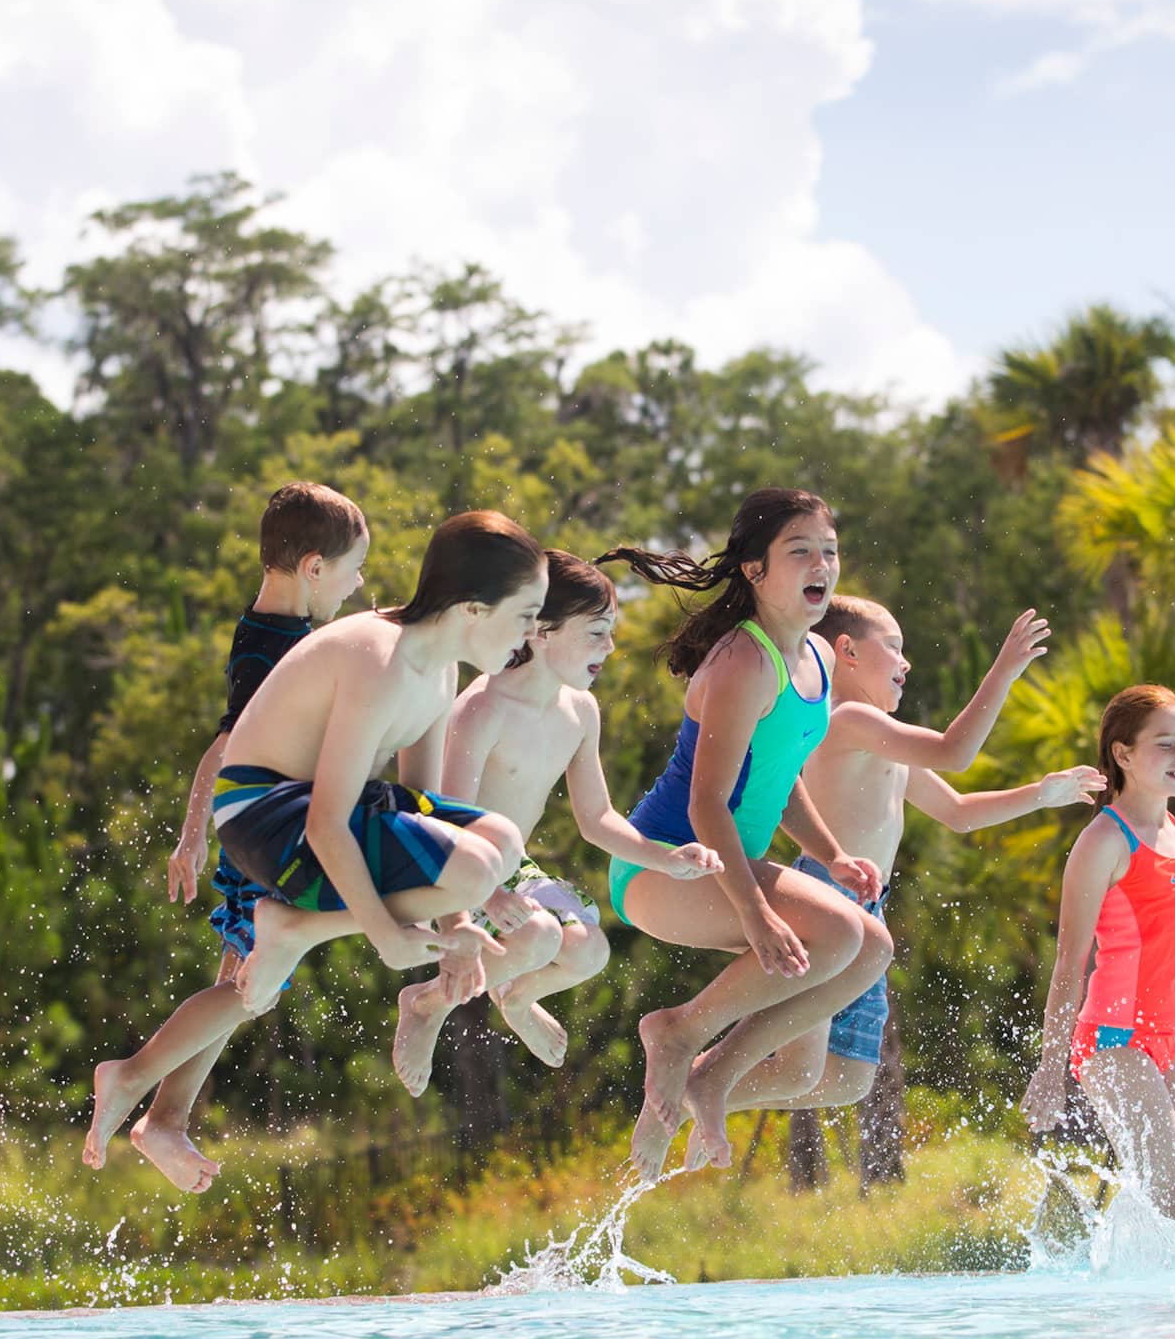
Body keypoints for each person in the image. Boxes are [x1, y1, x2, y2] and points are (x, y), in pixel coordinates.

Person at [82, 510, 547, 1177]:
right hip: (266, 817)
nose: (531, 636)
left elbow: (425, 815)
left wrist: (458, 927)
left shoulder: (438, 671)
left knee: (496, 840)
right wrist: (388, 934)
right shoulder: (382, 661)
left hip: (316, 814)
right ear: (474, 608)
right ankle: (295, 929)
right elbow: (328, 824)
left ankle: (297, 929)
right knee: (476, 865)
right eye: (527, 614)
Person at [677, 594, 1106, 1162]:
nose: (907, 663)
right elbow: (955, 752)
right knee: (803, 1067)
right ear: (847, 651)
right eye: (895, 647)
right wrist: (1004, 669)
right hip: (824, 900)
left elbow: (957, 811)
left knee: (843, 1079)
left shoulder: (883, 741)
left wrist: (1040, 795)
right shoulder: (847, 720)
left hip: (864, 911)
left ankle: (701, 1088)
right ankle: (699, 1081)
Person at [598, 488, 893, 1182]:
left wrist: (832, 855)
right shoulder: (742, 662)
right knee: (842, 937)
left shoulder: (816, 656)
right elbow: (706, 805)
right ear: (755, 570)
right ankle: (679, 1033)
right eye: (800, 551)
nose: (822, 563)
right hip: (667, 868)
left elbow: (780, 777)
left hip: (726, 861)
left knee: (868, 950)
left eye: (829, 550)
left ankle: (711, 1079)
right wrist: (757, 914)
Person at [390, 550, 723, 1096]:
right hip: (450, 870)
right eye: (595, 633)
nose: (609, 648)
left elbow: (596, 819)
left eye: (610, 633)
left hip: (510, 868)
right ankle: (426, 1003)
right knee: (542, 935)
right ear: (541, 632)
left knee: (589, 950)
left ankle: (517, 999)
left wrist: (667, 858)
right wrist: (487, 895)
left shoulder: (579, 712)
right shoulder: (484, 710)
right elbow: (443, 821)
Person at [135, 480, 369, 1192]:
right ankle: (152, 1107)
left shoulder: (276, 633)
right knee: (246, 986)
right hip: (260, 837)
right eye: (355, 568)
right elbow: (224, 745)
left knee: (242, 983)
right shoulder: (274, 648)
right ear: (314, 569)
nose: (361, 584)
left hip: (266, 831)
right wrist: (191, 835)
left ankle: (165, 1117)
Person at [1020, 685, 1175, 1232]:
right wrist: (1050, 1069)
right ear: (1123, 754)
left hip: (1172, 1040)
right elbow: (1070, 967)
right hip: (1113, 1041)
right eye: (1166, 745)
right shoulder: (1102, 843)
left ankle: (1165, 1314)